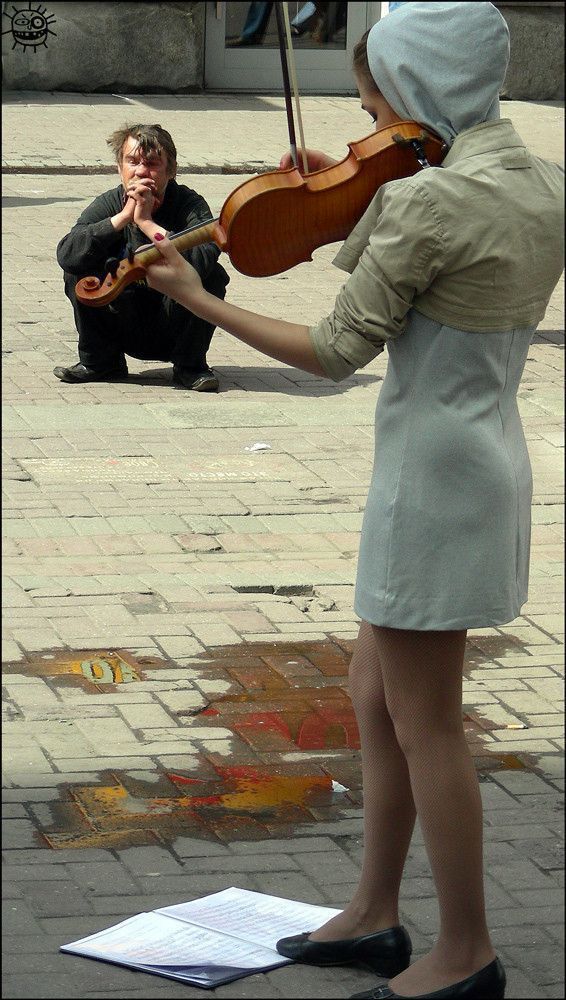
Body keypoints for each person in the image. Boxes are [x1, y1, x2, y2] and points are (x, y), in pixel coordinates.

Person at [143, 4, 564, 998]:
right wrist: (348, 188)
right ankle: (375, 910)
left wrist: (199, 298)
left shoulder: (425, 201)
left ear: (419, 90)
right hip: (483, 459)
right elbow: (441, 244)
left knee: (428, 723)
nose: (369, 125)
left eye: (375, 104)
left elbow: (336, 349)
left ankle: (464, 953)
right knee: (375, 694)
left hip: (428, 481)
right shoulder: (541, 182)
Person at [55, 123, 229, 392]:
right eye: (132, 162)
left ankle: (190, 366)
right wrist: (123, 218)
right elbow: (67, 253)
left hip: (173, 323)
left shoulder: (189, 205)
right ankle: (100, 362)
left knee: (214, 276)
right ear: (119, 168)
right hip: (122, 320)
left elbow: (204, 258)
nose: (140, 171)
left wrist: (146, 223)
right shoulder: (109, 203)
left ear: (171, 170)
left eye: (151, 163)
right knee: (79, 266)